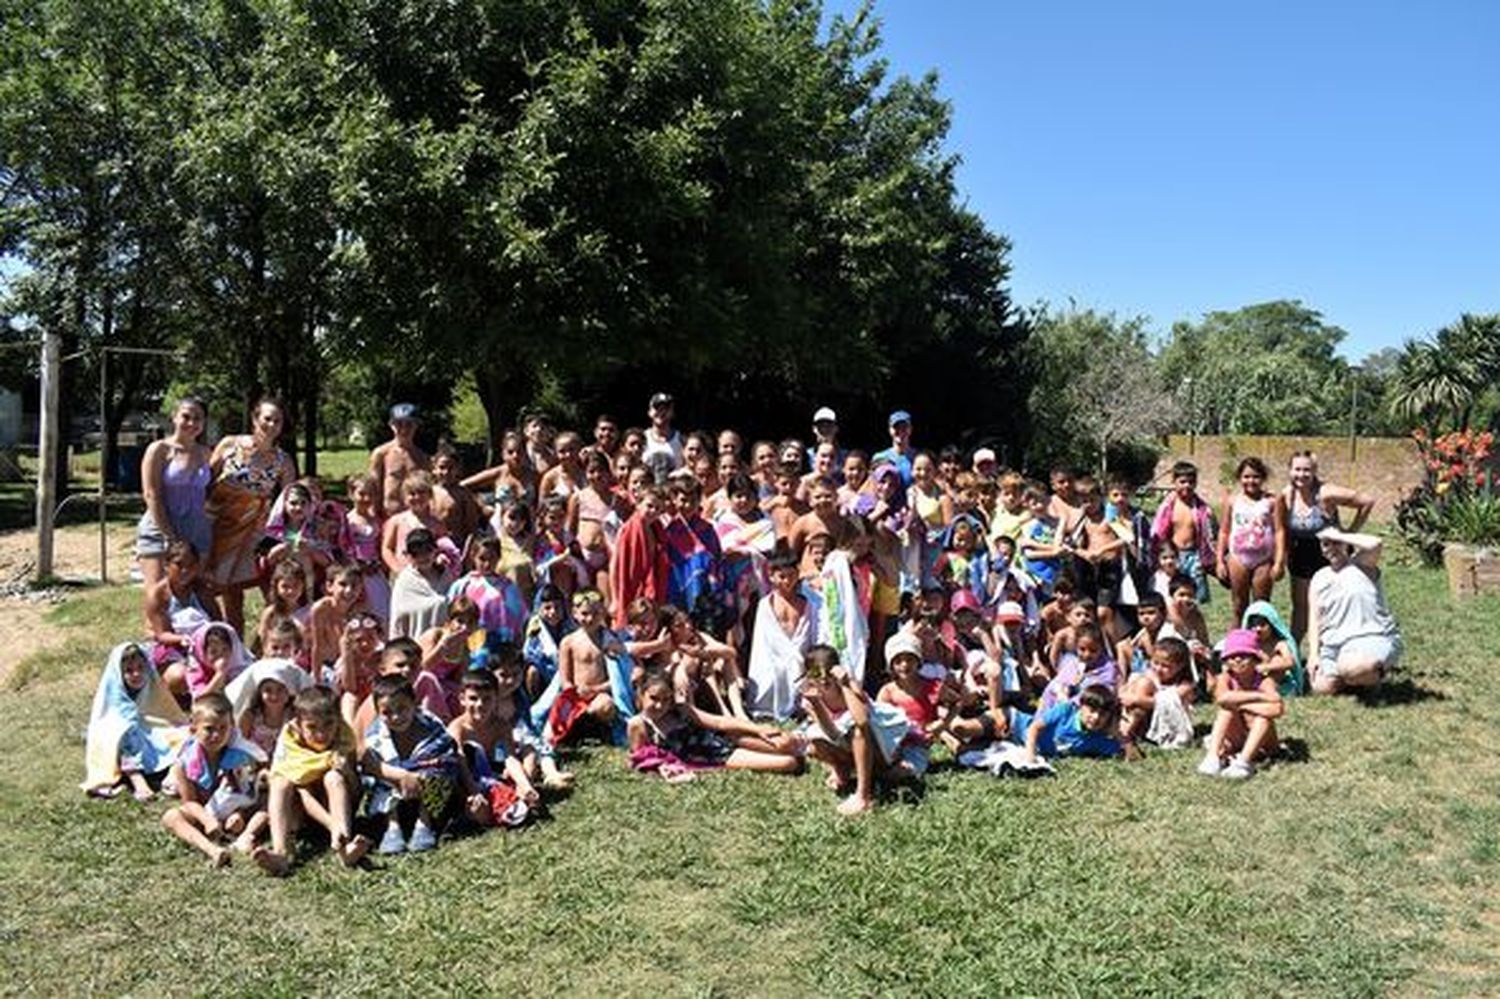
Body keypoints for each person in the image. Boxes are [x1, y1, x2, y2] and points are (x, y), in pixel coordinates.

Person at [254, 685, 370, 876]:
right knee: (281, 782)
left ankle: (345, 846)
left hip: (337, 804)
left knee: (333, 777)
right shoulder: (290, 736)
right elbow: (295, 784)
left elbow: (356, 790)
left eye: (328, 724)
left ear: (338, 721)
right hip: (300, 814)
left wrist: (347, 772)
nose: (321, 734)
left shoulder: (344, 736)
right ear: (298, 725)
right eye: (312, 727)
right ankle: (280, 852)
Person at [204, 397, 297, 633]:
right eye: (267, 418)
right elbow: (206, 482)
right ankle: (221, 641)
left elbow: (290, 503)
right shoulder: (229, 445)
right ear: (255, 419)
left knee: (261, 588)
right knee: (219, 589)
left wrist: (288, 539)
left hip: (254, 530)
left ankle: (259, 644)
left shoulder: (283, 461)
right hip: (217, 526)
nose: (271, 424)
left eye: (277, 420)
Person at [800, 645, 912, 816]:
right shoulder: (811, 699)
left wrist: (844, 684)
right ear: (808, 675)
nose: (823, 679)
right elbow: (832, 734)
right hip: (848, 744)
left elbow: (862, 721)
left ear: (837, 670)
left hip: (878, 745)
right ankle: (842, 770)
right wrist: (816, 703)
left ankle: (863, 795)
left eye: (828, 672)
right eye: (816, 673)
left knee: (857, 730)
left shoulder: (850, 686)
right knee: (815, 744)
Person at [160, 692, 267, 868]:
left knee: (267, 804)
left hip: (237, 816)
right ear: (194, 730)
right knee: (171, 816)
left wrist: (240, 814)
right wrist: (207, 820)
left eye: (223, 728)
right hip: (206, 817)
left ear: (232, 728)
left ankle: (247, 837)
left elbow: (251, 795)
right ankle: (213, 850)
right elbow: (190, 803)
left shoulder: (242, 757)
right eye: (209, 729)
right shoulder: (183, 764)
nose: (216, 735)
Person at [628, 672, 803, 779]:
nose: (660, 705)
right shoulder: (639, 724)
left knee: (786, 744)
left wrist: (758, 729)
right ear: (641, 695)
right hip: (713, 756)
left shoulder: (680, 709)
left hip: (721, 739)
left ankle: (809, 743)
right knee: (789, 763)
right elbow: (641, 759)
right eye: (654, 698)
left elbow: (718, 722)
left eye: (666, 699)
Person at [361, 674, 463, 854]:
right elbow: (369, 765)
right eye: (387, 712)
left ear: (414, 704)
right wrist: (401, 775)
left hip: (426, 783)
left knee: (444, 769)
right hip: (394, 786)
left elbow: (446, 752)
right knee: (378, 779)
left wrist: (418, 774)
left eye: (402, 708)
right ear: (377, 712)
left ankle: (424, 822)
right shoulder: (375, 734)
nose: (396, 716)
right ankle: (392, 826)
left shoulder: (431, 725)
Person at [1283, 451, 1374, 642]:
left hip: (1328, 554)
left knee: (1330, 604)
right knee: (1300, 607)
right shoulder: (1287, 495)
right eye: (1297, 469)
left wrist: (1348, 534)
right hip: (1300, 553)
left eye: (1307, 470)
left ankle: (1331, 649)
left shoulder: (1326, 493)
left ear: (1315, 471)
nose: (1301, 475)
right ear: (1289, 470)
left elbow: (1366, 501)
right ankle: (1294, 654)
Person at [81, 642, 186, 800]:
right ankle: (138, 782)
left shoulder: (153, 688)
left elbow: (165, 715)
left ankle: (172, 774)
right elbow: (110, 723)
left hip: (152, 732)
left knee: (185, 735)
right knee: (127, 734)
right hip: (125, 741)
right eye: (129, 671)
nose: (136, 674)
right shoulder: (114, 693)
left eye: (140, 668)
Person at [1308, 528, 1402, 694]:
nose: (1331, 548)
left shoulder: (1362, 564)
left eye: (1336, 543)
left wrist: (1339, 535)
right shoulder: (1319, 578)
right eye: (1325, 544)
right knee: (1321, 687)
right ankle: (1358, 678)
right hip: (1334, 644)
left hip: (1369, 636)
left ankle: (1371, 673)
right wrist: (1313, 655)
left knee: (1349, 668)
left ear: (1346, 544)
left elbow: (1375, 543)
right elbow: (1314, 619)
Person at [135, 396, 213, 591]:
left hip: (197, 532)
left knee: (194, 596)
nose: (192, 423)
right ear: (174, 417)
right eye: (186, 417)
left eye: (198, 418)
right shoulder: (159, 450)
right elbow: (151, 494)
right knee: (158, 596)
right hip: (160, 531)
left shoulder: (206, 453)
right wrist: (170, 536)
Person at [1198, 628, 1284, 780]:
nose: (1237, 660)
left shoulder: (1264, 681)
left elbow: (1277, 708)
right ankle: (1212, 757)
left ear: (1255, 659)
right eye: (1232, 657)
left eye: (1244, 656)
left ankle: (1243, 763)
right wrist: (1258, 697)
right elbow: (1222, 698)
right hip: (1236, 737)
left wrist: (1242, 705)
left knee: (1262, 717)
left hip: (1263, 743)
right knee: (1226, 710)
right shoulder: (1225, 678)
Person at [746, 542, 814, 721]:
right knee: (772, 675)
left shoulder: (808, 604)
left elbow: (809, 636)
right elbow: (763, 643)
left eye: (791, 575)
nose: (787, 581)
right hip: (772, 660)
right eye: (782, 576)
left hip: (799, 658)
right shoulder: (765, 605)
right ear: (772, 576)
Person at [1216, 456, 1286, 624]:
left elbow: (1279, 531)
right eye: (1246, 476)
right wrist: (1219, 560)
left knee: (1262, 608)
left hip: (1263, 560)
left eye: (1255, 476)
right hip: (1238, 559)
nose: (1251, 481)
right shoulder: (1232, 500)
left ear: (1263, 478)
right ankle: (1237, 645)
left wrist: (1279, 562)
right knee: (1239, 606)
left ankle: (1260, 645)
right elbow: (1224, 531)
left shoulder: (1272, 501)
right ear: (1240, 478)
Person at [1149, 460, 1216, 604]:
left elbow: (1210, 534)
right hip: (1175, 555)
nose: (1187, 485)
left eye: (1191, 482)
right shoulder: (1168, 507)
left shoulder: (1201, 509)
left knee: (1194, 595)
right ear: (1174, 482)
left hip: (1194, 556)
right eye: (1182, 481)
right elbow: (1158, 532)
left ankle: (1193, 622)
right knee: (1173, 593)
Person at [1119, 636, 1196, 753]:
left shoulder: (1185, 685)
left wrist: (1136, 699)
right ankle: (1126, 730)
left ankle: (1126, 733)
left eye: (1165, 666)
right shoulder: (1150, 673)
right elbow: (1126, 691)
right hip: (1144, 717)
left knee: (1148, 687)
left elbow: (1163, 703)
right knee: (1141, 682)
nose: (1158, 669)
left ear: (1180, 666)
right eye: (1155, 663)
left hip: (1168, 723)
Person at [1016, 683, 1123, 764]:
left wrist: (1116, 732)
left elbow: (1126, 753)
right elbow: (1034, 727)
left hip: (1021, 744)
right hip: (1017, 724)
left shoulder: (1095, 739)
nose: (1096, 717)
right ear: (1081, 706)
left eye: (1103, 714)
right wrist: (1030, 755)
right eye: (1092, 710)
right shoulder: (1065, 711)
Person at [344, 472, 390, 624]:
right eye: (362, 494)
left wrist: (378, 564)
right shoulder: (346, 520)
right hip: (355, 571)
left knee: (380, 609)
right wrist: (357, 564)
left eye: (371, 494)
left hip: (374, 572)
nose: (366, 499)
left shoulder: (376, 520)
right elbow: (343, 547)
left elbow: (381, 546)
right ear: (351, 494)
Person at [368, 403, 429, 518]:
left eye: (409, 424)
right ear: (391, 426)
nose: (404, 429)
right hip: (388, 516)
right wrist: (373, 515)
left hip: (414, 518)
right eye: (399, 424)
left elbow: (427, 490)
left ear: (416, 426)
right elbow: (373, 487)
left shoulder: (422, 457)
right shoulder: (381, 454)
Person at [430, 443, 486, 543]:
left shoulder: (463, 495)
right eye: (442, 468)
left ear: (457, 469)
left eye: (451, 468)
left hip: (456, 544)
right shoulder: (429, 492)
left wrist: (467, 551)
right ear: (434, 469)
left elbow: (472, 527)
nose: (446, 472)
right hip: (432, 545)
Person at [641, 392, 684, 472]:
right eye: (657, 408)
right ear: (649, 412)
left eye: (666, 408)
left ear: (672, 412)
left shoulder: (682, 440)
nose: (661, 412)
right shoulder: (641, 439)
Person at [871, 410, 915, 486]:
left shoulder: (919, 457)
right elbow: (873, 484)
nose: (900, 431)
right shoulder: (879, 457)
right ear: (890, 430)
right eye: (896, 427)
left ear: (910, 429)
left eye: (904, 427)